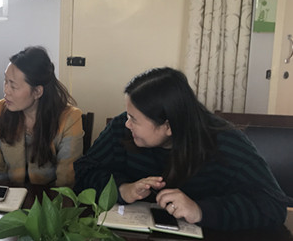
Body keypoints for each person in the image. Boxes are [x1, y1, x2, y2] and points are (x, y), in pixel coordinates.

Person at [74, 67, 288, 231]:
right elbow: (84, 172)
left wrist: (200, 210)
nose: (127, 123)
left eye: (134, 119)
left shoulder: (225, 143)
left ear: (168, 126)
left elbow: (272, 206)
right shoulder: (122, 129)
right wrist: (122, 190)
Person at [0, 46, 83, 187]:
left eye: (13, 86)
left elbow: (66, 181)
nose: (6, 90)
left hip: (49, 197)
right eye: (5, 81)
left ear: (37, 92)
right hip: (7, 195)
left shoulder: (69, 118)